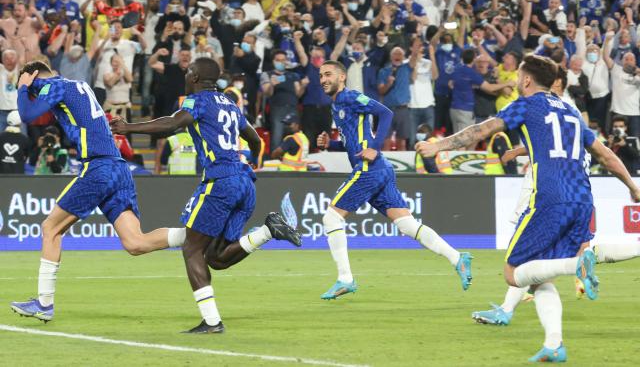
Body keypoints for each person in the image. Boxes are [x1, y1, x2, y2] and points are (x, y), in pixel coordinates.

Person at [417, 54, 640, 362]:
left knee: (513, 274)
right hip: (582, 199)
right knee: (538, 278)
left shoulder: (528, 104)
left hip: (550, 198)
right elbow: (605, 156)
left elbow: (481, 130)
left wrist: (437, 146)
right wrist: (632, 185)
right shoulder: (573, 114)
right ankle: (554, 345)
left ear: (525, 80)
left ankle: (575, 266)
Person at [110, 57, 302, 333]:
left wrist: (130, 128)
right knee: (217, 257)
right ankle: (268, 232)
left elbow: (172, 124)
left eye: (189, 72)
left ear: (197, 78)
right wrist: (251, 162)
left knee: (192, 248)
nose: (186, 75)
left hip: (220, 182)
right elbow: (256, 140)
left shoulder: (197, 101)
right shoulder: (230, 105)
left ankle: (212, 322)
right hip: (245, 182)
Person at [10, 61, 187, 323]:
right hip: (119, 168)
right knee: (135, 243)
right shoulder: (79, 85)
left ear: (36, 75)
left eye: (33, 86)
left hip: (99, 167)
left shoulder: (53, 85)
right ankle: (197, 234)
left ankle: (44, 303)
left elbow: (26, 114)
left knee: (50, 228)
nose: (35, 92)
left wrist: (24, 87)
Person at [315, 60, 472, 300]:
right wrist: (332, 144)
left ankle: (345, 278)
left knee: (331, 217)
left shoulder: (351, 97)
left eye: (328, 74)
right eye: (321, 75)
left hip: (370, 168)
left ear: (342, 77)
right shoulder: (337, 105)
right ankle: (458, 258)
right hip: (380, 169)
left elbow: (385, 112)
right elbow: (353, 141)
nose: (323, 79)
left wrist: (376, 148)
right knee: (407, 225)